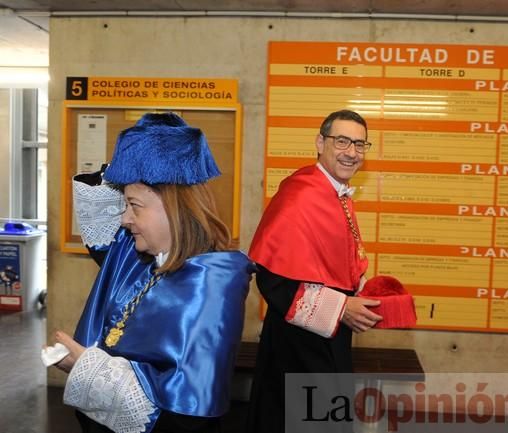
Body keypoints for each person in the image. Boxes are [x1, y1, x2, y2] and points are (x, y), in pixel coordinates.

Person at [49, 112, 253, 433]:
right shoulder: (142, 257)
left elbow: (186, 413)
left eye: (134, 205)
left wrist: (89, 370)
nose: (124, 219)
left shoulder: (212, 281)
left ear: (174, 207)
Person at [246, 109, 383, 433]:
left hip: (326, 342)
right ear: (321, 142)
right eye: (342, 141)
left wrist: (362, 295)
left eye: (360, 144)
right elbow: (272, 278)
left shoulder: (336, 193)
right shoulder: (301, 194)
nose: (352, 152)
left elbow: (333, 265)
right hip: (297, 349)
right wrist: (342, 308)